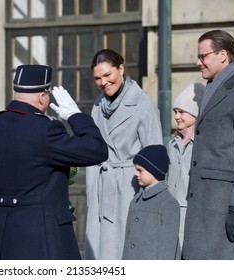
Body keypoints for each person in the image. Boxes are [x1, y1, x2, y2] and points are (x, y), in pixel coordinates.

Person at [0, 64, 108, 260]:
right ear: (42, 97)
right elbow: (97, 150)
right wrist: (75, 115)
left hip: (2, 233)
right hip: (41, 235)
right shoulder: (46, 129)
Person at [85, 49, 163, 260]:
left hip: (129, 188)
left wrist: (150, 200)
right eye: (98, 78)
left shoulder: (143, 105)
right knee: (100, 251)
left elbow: (155, 158)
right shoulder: (98, 105)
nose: (103, 82)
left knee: (124, 251)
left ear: (121, 69)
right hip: (102, 185)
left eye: (107, 75)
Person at [183, 29, 234, 259]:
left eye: (203, 56)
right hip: (205, 203)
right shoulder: (213, 86)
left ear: (222, 55)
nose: (198, 62)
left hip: (223, 204)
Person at [166, 83, 205, 252]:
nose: (177, 116)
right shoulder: (172, 144)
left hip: (191, 214)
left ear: (195, 113)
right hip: (170, 212)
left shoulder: (202, 145)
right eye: (175, 111)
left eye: (181, 112)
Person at [122, 145, 180, 260]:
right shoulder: (135, 201)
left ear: (153, 170)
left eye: (140, 170)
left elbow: (168, 248)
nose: (136, 174)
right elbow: (127, 243)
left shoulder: (168, 203)